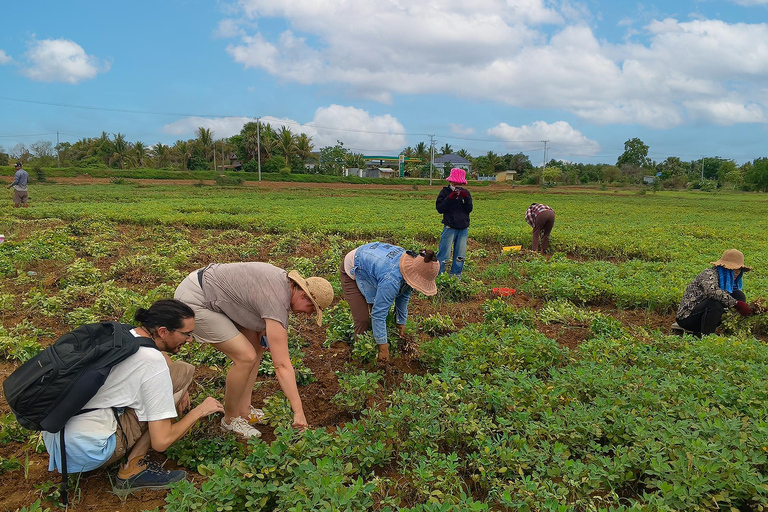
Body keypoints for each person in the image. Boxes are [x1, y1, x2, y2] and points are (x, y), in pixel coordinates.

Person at [41, 299, 224, 495]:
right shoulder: (152, 365)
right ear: (162, 331)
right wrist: (199, 411)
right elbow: (161, 442)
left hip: (57, 436)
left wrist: (179, 386)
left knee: (182, 371)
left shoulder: (125, 333)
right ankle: (132, 470)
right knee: (163, 405)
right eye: (186, 334)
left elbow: (165, 361)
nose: (190, 340)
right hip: (90, 450)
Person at [174, 263, 333, 438]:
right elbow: (281, 365)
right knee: (246, 357)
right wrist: (298, 412)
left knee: (256, 348)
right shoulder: (276, 302)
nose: (308, 315)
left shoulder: (282, 283)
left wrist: (260, 328)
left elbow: (252, 298)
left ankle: (244, 410)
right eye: (312, 309)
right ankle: (230, 419)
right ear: (304, 296)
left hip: (207, 287)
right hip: (196, 300)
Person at [340, 242, 439, 364]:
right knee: (363, 319)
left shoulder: (411, 265)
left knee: (376, 310)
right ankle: (359, 358)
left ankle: (373, 344)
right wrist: (383, 349)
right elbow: (378, 314)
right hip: (353, 268)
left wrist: (401, 322)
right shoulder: (391, 280)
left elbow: (404, 295)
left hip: (372, 267)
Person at [676, 249, 754, 335]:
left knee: (739, 295)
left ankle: (728, 331)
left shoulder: (731, 281)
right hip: (688, 318)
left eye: (739, 270)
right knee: (714, 303)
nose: (736, 273)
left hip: (707, 315)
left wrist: (752, 309)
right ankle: (708, 336)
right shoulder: (709, 274)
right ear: (725, 267)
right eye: (734, 269)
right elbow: (712, 291)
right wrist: (736, 304)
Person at [435, 168, 473, 278]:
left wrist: (466, 199)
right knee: (444, 254)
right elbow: (439, 209)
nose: (457, 185)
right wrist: (450, 198)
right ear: (450, 181)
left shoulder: (466, 193)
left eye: (460, 183)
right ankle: (439, 276)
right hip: (449, 227)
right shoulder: (444, 192)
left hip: (463, 228)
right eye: (455, 182)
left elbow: (469, 209)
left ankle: (456, 276)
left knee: (460, 255)